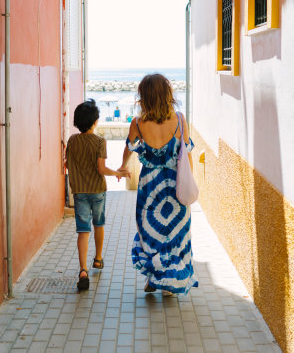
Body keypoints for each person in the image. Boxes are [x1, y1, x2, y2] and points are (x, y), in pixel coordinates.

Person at [118, 73, 198, 296]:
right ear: (167, 94)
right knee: (175, 234)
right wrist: (190, 179)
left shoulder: (138, 123)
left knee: (151, 234)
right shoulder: (180, 119)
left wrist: (123, 166)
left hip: (150, 187)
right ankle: (168, 284)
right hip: (175, 185)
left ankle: (155, 279)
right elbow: (186, 151)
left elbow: (130, 147)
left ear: (144, 96)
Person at [66, 99, 130, 291]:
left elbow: (67, 164)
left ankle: (83, 270)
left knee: (83, 230)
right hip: (97, 191)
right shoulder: (100, 141)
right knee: (99, 224)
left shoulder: (72, 141)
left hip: (79, 192)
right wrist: (119, 173)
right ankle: (98, 259)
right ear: (95, 121)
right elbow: (101, 169)